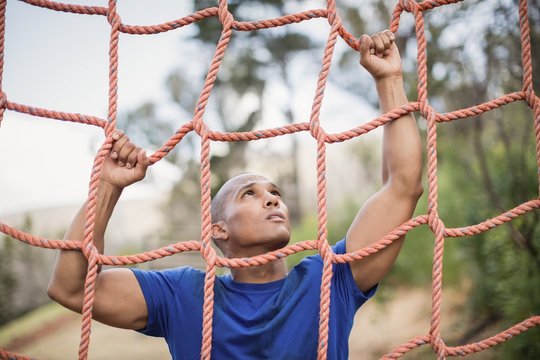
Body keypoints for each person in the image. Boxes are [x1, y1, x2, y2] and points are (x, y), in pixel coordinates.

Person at [48, 30, 423, 359]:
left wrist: (389, 80)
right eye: (250, 194)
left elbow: (403, 187)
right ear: (219, 230)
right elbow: (71, 288)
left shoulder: (329, 280)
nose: (273, 199)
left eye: (275, 192)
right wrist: (108, 187)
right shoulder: (184, 295)